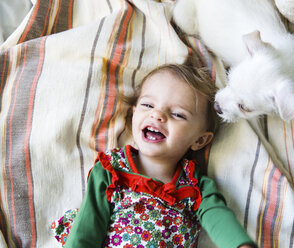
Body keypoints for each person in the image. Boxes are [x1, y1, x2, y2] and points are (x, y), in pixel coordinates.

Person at [52, 61, 257, 248]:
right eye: (148, 105)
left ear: (199, 140)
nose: (157, 115)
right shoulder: (111, 171)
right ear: (133, 114)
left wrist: (239, 244)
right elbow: (86, 231)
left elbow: (217, 216)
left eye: (177, 114)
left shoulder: (195, 187)